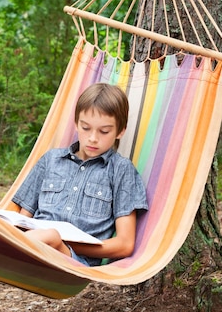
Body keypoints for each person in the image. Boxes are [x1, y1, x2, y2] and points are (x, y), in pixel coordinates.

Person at [12, 83, 148, 266]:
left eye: (104, 131)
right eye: (85, 128)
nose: (93, 138)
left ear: (120, 131)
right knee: (0, 223)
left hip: (73, 260)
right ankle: (15, 249)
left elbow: (124, 244)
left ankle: (16, 249)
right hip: (35, 246)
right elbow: (23, 217)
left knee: (50, 235)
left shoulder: (121, 170)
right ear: (76, 124)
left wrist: (63, 241)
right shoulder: (51, 159)